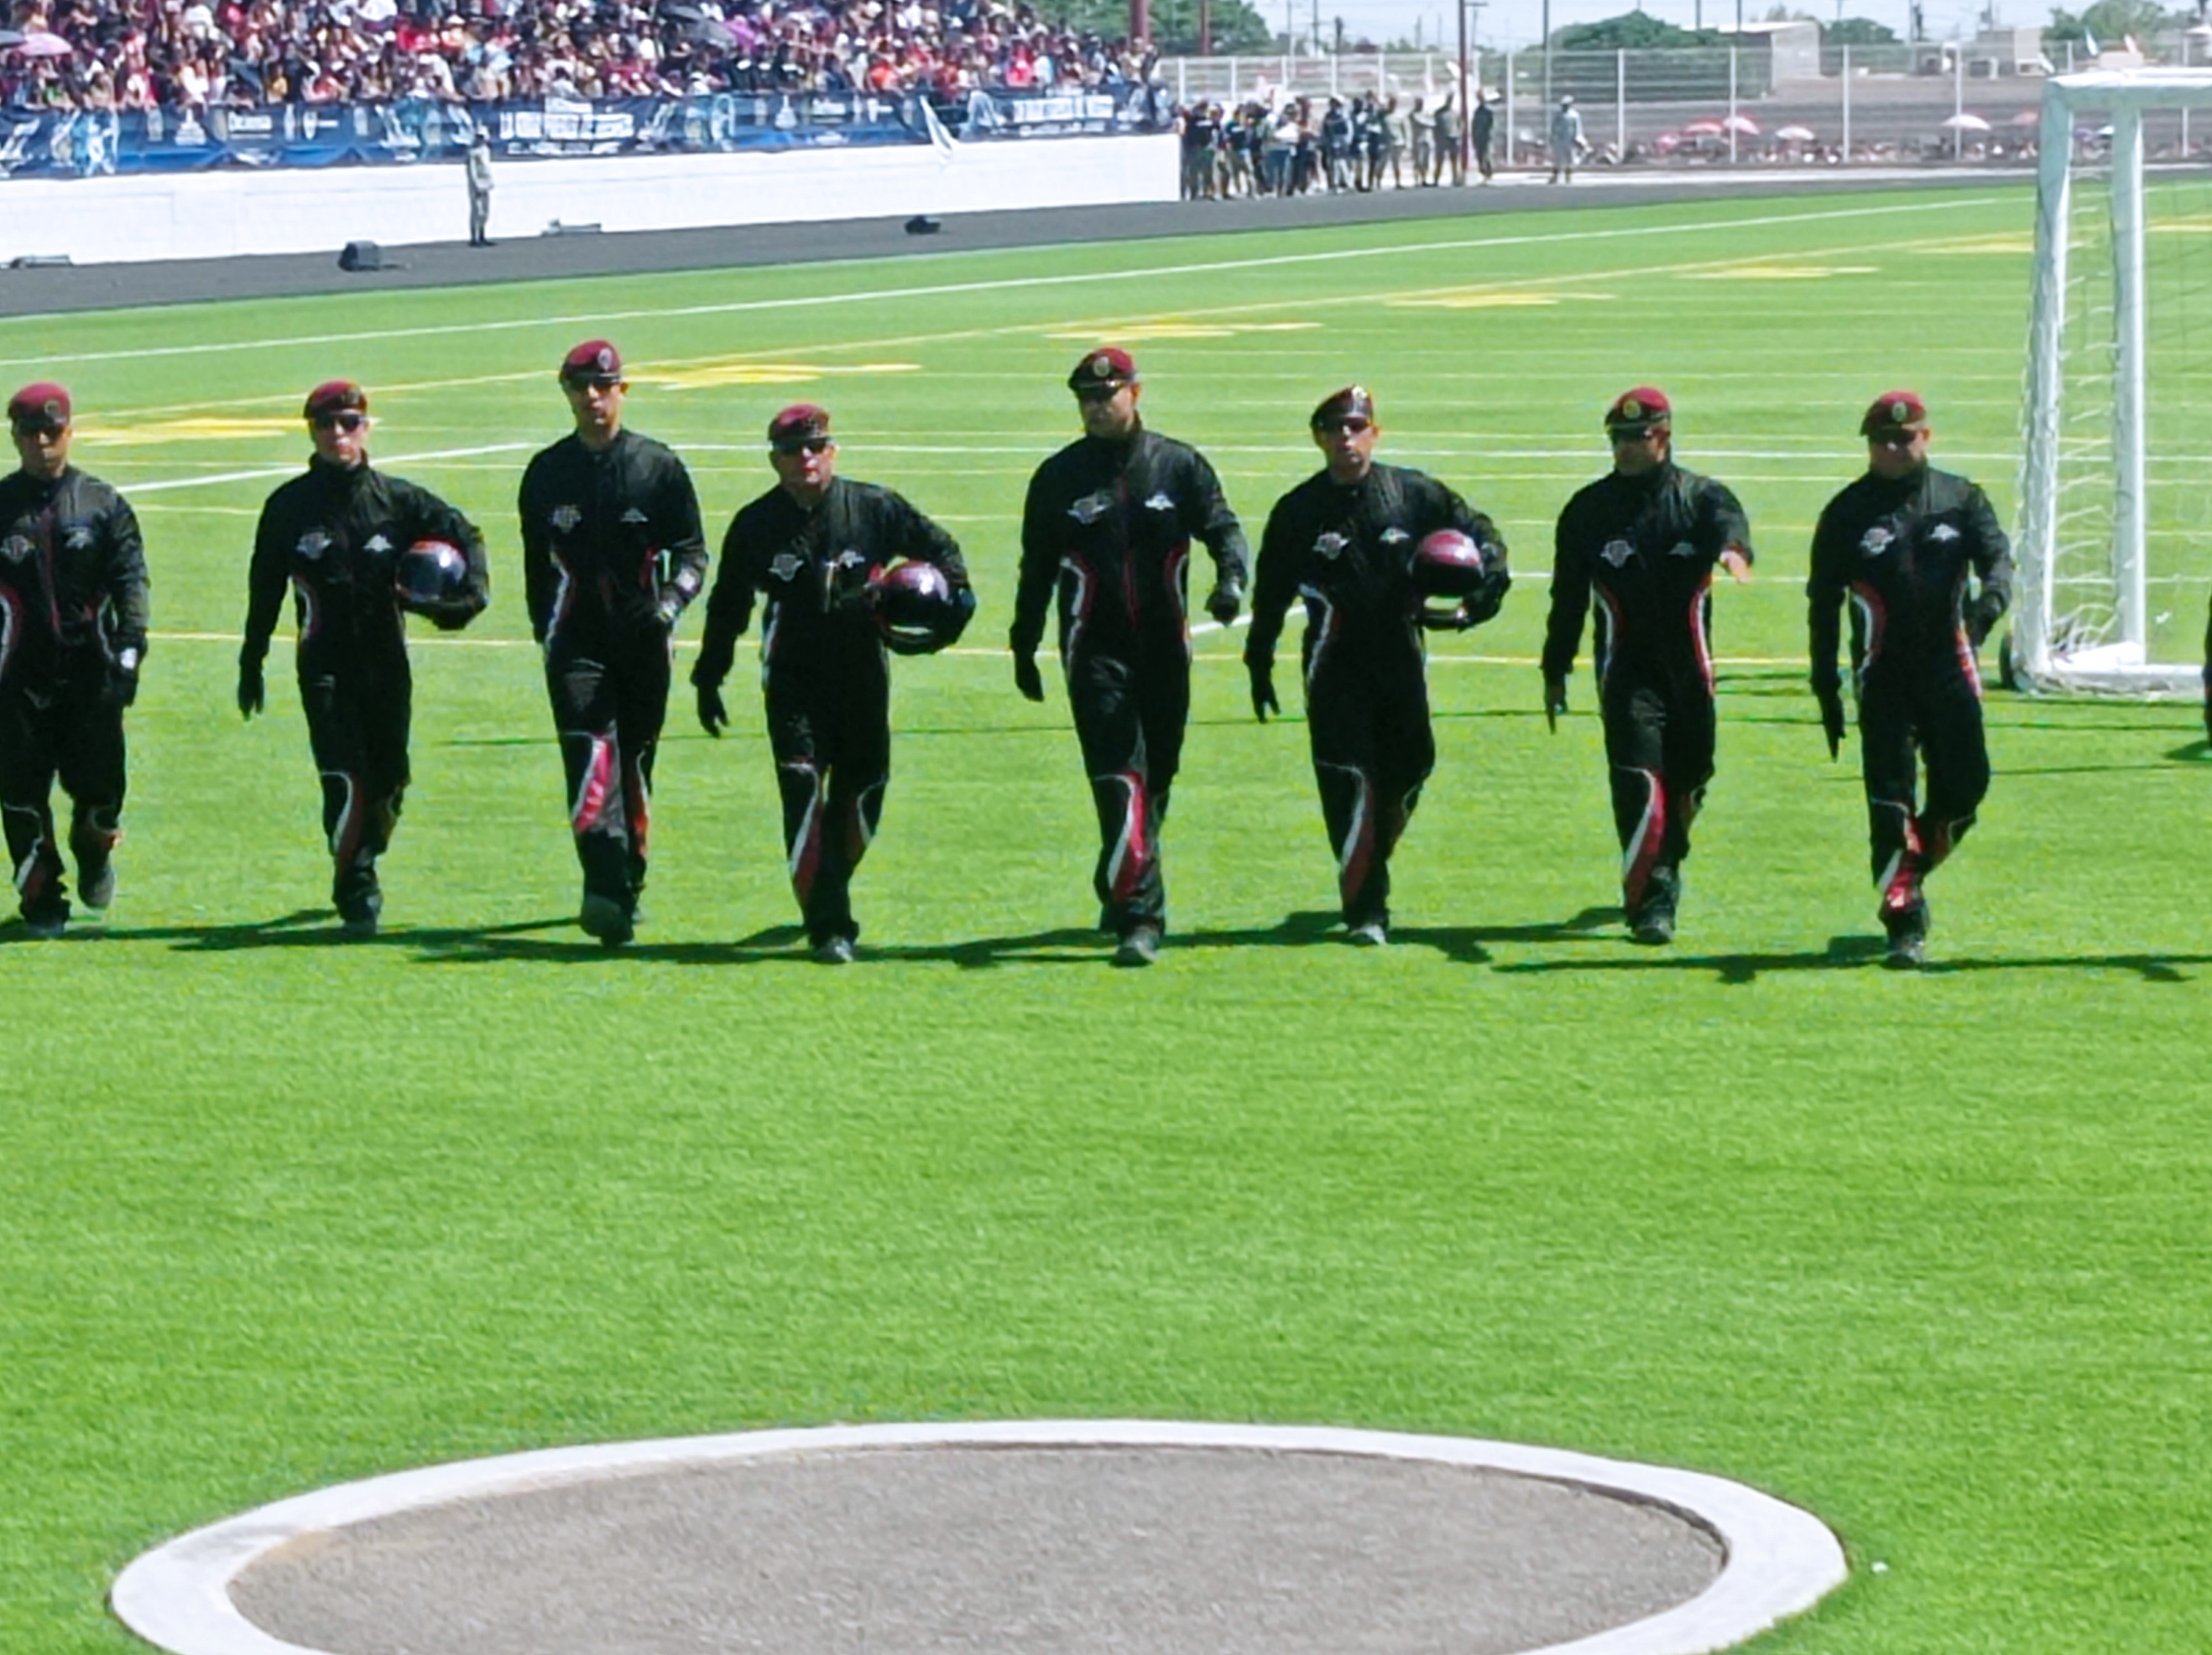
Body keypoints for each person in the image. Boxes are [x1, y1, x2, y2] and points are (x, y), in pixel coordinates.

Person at [690, 404, 973, 963]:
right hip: (793, 676)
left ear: (833, 452)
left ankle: (830, 879)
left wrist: (952, 609)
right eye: (793, 451)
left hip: (862, 674)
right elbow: (729, 604)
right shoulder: (756, 523)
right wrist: (710, 674)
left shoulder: (873, 508)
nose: (806, 460)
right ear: (774, 460)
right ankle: (830, 923)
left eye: (816, 448)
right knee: (800, 786)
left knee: (862, 795)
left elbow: (941, 552)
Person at [1010, 347, 1249, 967]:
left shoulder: (1178, 466)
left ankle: (1118, 873)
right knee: (1121, 773)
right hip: (1094, 652)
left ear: (1134, 393)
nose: (1096, 407)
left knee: (1158, 773)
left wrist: (1230, 582)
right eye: (1087, 399)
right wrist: (1023, 643)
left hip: (1166, 650)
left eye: (1107, 395)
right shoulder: (1058, 478)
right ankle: (1141, 918)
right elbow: (1035, 567)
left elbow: (1222, 527)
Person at [1244, 387, 1510, 944]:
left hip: (1400, 657)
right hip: (1333, 665)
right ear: (1318, 438)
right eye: (1335, 429)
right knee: (1347, 780)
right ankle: (1366, 910)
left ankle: (1369, 858)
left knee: (1413, 764)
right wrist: (1259, 660)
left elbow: (1480, 534)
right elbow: (1269, 594)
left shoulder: (1412, 494)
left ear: (1375, 433)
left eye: (1357, 427)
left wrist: (1478, 599)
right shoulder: (1299, 510)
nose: (1347, 438)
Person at [239, 380, 489, 936]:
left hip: (385, 664)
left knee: (389, 777)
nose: (337, 435)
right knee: (343, 775)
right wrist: (250, 659)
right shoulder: (289, 507)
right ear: (311, 432)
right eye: (326, 425)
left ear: (366, 428)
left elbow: (466, 535)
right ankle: (357, 885)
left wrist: (465, 599)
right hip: (324, 665)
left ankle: (363, 848)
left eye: (348, 423)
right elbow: (264, 587)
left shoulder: (397, 502)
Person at [1808, 391, 2011, 968]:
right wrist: (1824, 681)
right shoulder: (1847, 512)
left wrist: (1987, 610)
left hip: (1950, 670)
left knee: (1966, 788)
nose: (1894, 449)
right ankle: (1904, 919)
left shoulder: (1961, 500)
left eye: (1905, 438)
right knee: (1891, 799)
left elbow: (1997, 562)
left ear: (1927, 437)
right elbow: (1822, 603)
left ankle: (1910, 870)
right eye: (1882, 441)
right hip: (1883, 677)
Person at [1542, 388, 1753, 944]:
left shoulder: (1698, 498)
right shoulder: (1588, 511)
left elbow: (1730, 523)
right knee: (1638, 781)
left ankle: (1664, 864)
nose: (1628, 448)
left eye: (1640, 437)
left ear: (1664, 435)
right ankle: (1650, 903)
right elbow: (1567, 598)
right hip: (1625, 674)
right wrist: (1554, 666)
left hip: (1689, 674)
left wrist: (1734, 553)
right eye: (1619, 438)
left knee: (1689, 780)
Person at [519, 339, 707, 948]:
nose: (593, 398)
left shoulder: (658, 468)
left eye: (604, 387)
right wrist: (544, 634)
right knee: (588, 758)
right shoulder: (547, 474)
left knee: (633, 765)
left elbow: (695, 553)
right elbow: (536, 569)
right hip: (576, 644)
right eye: (580, 388)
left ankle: (629, 876)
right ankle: (602, 885)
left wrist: (671, 605)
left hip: (644, 643)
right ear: (567, 393)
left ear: (623, 390)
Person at [0, 382, 148, 939]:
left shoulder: (102, 505)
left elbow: (131, 579)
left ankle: (94, 852)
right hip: (16, 679)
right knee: (20, 791)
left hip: (91, 675)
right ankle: (42, 901)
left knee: (100, 795)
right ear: (14, 436)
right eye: (30, 432)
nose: (42, 443)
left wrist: (131, 647)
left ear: (70, 431)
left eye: (52, 431)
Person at [465, 125, 494, 247]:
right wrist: (475, 183)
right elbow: (472, 170)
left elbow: (488, 167)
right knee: (477, 210)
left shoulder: (486, 150)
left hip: (486, 181)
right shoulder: (472, 152)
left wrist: (491, 181)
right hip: (476, 183)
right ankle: (474, 237)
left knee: (486, 211)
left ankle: (483, 234)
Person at [1548, 93, 1584, 183]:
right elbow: (1554, 128)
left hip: (1571, 141)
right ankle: (1555, 177)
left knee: (1570, 160)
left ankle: (1568, 177)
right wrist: (1553, 138)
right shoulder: (1558, 116)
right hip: (1560, 141)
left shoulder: (1574, 115)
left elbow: (1578, 128)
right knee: (1558, 160)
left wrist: (1578, 139)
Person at [1433, 92, 1464, 185]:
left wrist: (1459, 133)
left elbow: (1461, 124)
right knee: (1440, 161)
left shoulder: (1455, 113)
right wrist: (1437, 137)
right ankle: (1436, 180)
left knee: (1454, 160)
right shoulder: (1439, 113)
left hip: (1454, 139)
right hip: (1443, 139)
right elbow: (1435, 126)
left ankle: (1455, 179)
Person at [1472, 89, 1496, 181]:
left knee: (1487, 155)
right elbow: (1474, 125)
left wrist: (1489, 134)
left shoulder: (1488, 111)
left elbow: (1492, 124)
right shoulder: (1478, 112)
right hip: (1479, 136)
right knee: (1480, 155)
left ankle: (1488, 173)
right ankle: (1484, 172)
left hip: (1486, 137)